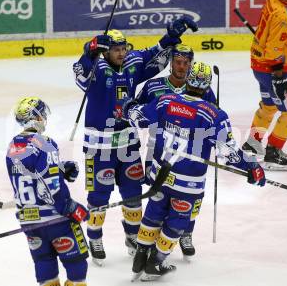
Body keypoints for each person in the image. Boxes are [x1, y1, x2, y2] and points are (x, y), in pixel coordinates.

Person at [123, 62, 266, 281]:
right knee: (177, 222)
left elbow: (138, 118)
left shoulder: (165, 101)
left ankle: (140, 257)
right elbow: (229, 153)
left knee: (153, 213)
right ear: (207, 85)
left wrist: (128, 107)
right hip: (187, 184)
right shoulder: (214, 114)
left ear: (188, 79)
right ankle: (156, 262)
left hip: (160, 175)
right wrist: (251, 166)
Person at [72, 18, 198, 266]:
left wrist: (170, 37)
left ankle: (132, 237)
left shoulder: (132, 62)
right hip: (99, 148)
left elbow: (154, 55)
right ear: (106, 51)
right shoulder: (96, 66)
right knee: (98, 195)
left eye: (123, 48)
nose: (121, 53)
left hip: (128, 144)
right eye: (116, 49)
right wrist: (89, 50)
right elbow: (80, 75)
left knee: (133, 194)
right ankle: (94, 237)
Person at [136, 44, 217, 259]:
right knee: (158, 196)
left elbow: (213, 120)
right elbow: (140, 116)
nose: (181, 67)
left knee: (193, 195)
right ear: (171, 62)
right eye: (177, 62)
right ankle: (152, 239)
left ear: (191, 64)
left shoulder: (205, 90)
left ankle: (185, 233)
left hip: (192, 155)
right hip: (159, 150)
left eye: (186, 63)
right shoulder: (153, 87)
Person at [6, 97, 90, 286]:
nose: (44, 118)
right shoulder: (46, 143)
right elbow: (52, 188)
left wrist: (60, 168)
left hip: (29, 221)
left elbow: (31, 172)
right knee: (77, 265)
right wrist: (71, 207)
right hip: (56, 219)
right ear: (35, 117)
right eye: (42, 114)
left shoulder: (12, 145)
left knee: (44, 265)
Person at [242, 0, 287, 171]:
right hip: (272, 70)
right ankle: (273, 153)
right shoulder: (284, 14)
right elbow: (274, 48)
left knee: (269, 107)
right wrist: (280, 77)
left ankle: (253, 144)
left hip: (259, 66)